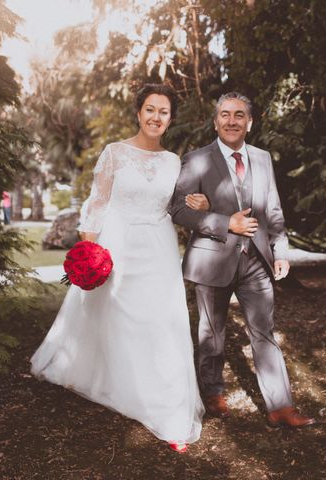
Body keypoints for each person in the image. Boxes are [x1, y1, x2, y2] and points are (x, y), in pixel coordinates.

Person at [31, 84, 205, 453]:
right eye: (150, 109)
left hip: (158, 245)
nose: (157, 117)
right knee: (118, 317)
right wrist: (89, 251)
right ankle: (123, 383)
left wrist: (199, 202)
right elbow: (96, 204)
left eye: (164, 111)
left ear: (170, 118)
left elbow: (179, 207)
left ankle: (167, 406)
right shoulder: (115, 153)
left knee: (161, 322)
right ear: (138, 112)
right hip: (118, 243)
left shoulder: (174, 161)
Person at [170, 92, 316, 428]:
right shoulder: (196, 159)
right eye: (225, 114)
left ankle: (280, 407)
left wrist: (280, 250)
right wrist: (224, 222)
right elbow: (177, 209)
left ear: (249, 122)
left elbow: (273, 209)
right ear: (215, 120)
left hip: (256, 260)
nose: (231, 121)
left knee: (264, 331)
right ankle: (212, 393)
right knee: (212, 333)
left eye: (239, 115)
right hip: (211, 259)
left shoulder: (263, 158)